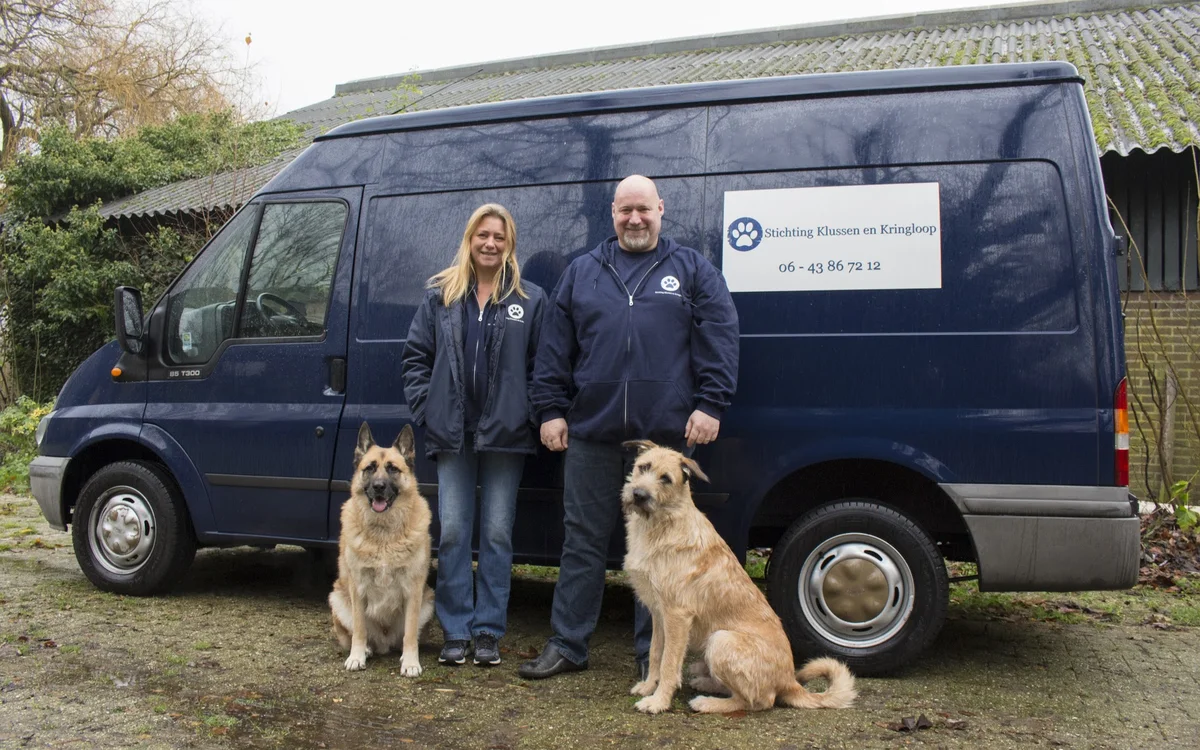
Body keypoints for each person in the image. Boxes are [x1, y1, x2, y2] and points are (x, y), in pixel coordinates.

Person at [519, 175, 739, 680]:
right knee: (582, 541)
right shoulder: (582, 273)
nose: (635, 219)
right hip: (592, 434)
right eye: (625, 211)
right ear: (612, 214)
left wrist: (711, 403)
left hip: (663, 442)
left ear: (661, 210)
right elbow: (554, 350)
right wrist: (550, 410)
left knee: (663, 550)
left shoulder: (691, 269)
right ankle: (569, 644)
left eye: (644, 209)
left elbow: (721, 336)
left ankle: (652, 659)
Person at [401, 203, 545, 667]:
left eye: (499, 237)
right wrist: (429, 409)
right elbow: (415, 359)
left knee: (499, 534)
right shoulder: (440, 296)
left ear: (510, 244)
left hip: (507, 435)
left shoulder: (530, 300)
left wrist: (530, 414)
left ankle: (488, 631)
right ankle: (457, 630)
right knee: (455, 532)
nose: (490, 244)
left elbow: (542, 367)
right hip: (453, 435)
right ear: (469, 239)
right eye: (483, 235)